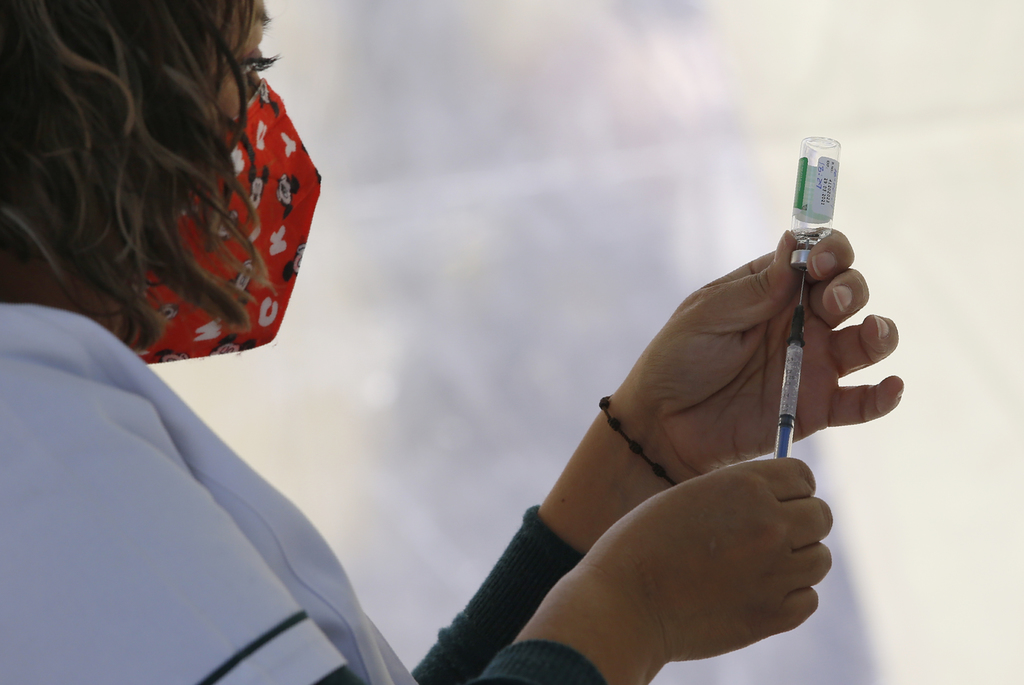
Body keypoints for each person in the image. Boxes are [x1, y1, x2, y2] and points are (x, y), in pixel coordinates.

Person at [0, 2, 903, 684]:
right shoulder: (39, 448)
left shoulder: (54, 414)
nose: (258, 125)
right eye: (242, 64)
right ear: (103, 105)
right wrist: (636, 607)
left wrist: (645, 448)